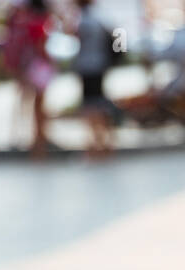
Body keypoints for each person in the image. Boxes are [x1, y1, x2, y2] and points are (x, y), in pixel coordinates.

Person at [3, 0, 55, 157]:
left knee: (25, 103)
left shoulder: (21, 21)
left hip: (25, 68)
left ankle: (22, 137)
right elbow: (41, 47)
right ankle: (38, 141)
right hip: (37, 69)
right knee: (38, 105)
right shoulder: (38, 24)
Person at [72, 0, 115, 156]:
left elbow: (75, 34)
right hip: (99, 64)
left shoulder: (85, 18)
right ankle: (105, 142)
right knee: (99, 103)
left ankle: (96, 144)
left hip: (89, 67)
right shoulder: (99, 15)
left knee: (91, 106)